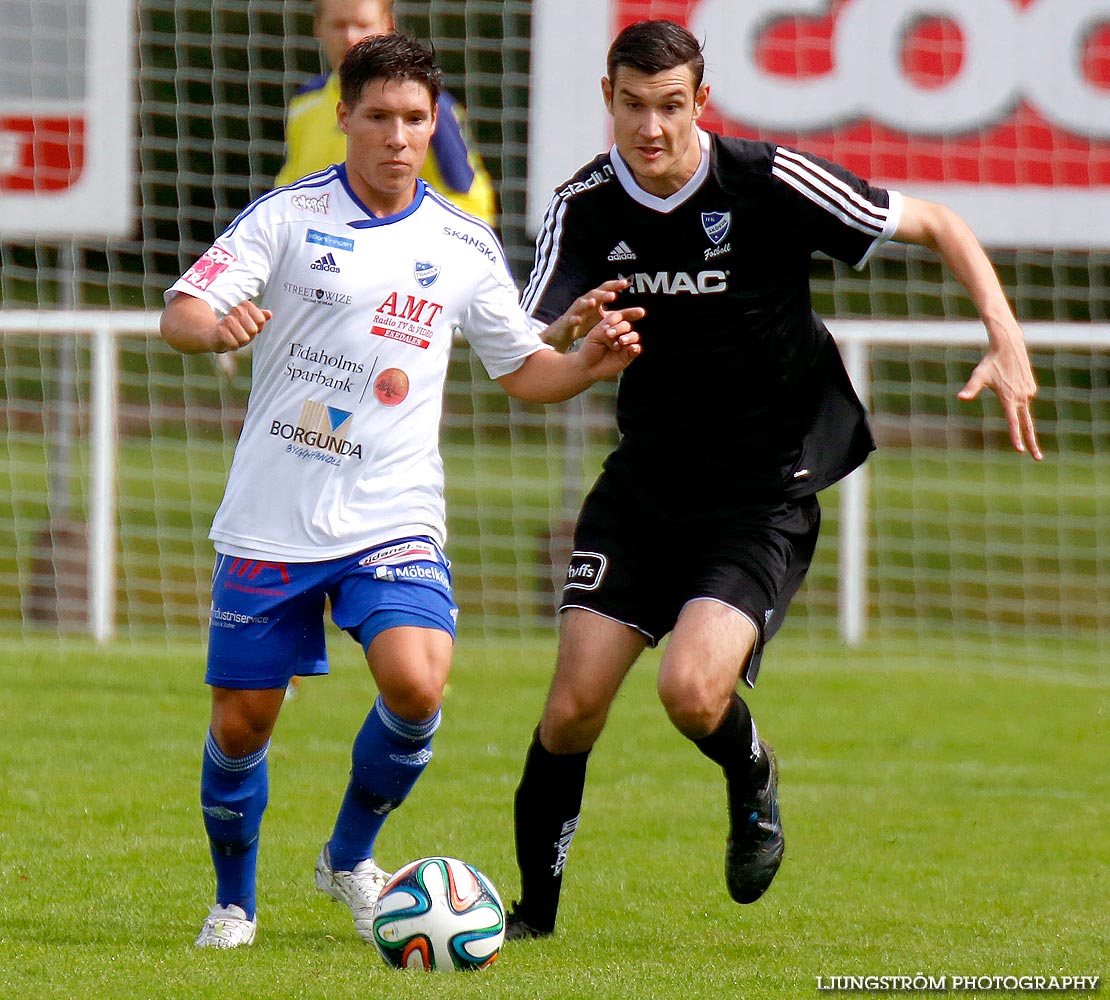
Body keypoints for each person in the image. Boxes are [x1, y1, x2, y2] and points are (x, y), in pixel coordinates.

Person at [505, 18, 1042, 941]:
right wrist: (572, 335)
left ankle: (750, 773)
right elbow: (523, 346)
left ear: (700, 103)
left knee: (691, 692)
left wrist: (1004, 331)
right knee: (572, 708)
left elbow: (938, 222)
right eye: (633, 105)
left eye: (671, 107)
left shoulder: (767, 181)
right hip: (644, 490)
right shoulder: (585, 206)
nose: (652, 128)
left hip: (761, 495)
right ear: (608, 99)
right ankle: (531, 921)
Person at [160, 32, 642, 949]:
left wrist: (584, 363)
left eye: (415, 119)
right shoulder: (286, 217)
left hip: (394, 512)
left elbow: (522, 367)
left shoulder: (461, 243)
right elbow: (180, 314)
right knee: (242, 719)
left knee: (419, 687)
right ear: (343, 118)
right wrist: (217, 326)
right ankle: (234, 903)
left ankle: (348, 857)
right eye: (377, 116)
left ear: (435, 124)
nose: (396, 136)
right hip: (274, 514)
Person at [275, 0, 496, 226]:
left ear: (387, 25)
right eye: (338, 25)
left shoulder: (425, 106)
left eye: (362, 25)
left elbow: (473, 204)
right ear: (318, 28)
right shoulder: (304, 104)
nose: (350, 37)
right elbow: (287, 195)